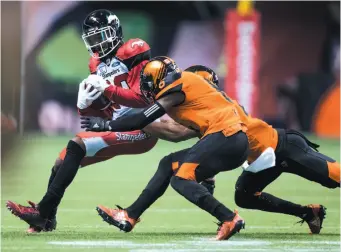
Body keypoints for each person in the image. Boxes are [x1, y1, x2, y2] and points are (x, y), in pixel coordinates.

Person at [5, 9, 197, 233]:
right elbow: (95, 118)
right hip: (119, 127)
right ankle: (47, 220)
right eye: (92, 39)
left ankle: (41, 213)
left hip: (141, 127)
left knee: (78, 144)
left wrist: (108, 88)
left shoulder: (133, 50)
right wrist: (84, 104)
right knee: (62, 161)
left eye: (100, 37)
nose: (96, 44)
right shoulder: (95, 65)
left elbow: (139, 99)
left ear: (115, 33)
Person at [91, 65, 340, 236]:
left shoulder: (215, 105)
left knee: (335, 175)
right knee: (243, 196)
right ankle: (309, 213)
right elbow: (183, 135)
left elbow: (207, 137)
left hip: (284, 147)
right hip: (257, 159)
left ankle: (227, 218)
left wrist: (121, 121)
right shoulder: (207, 108)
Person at [80, 57, 250, 240]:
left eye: (149, 84)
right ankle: (129, 215)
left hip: (226, 137)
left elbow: (143, 118)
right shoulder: (208, 104)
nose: (147, 89)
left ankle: (229, 218)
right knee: (168, 164)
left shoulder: (179, 86)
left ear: (161, 80)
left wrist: (108, 124)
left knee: (180, 180)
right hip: (232, 143)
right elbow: (175, 133)